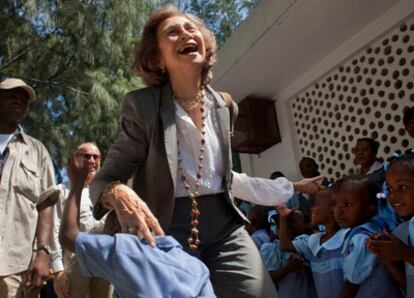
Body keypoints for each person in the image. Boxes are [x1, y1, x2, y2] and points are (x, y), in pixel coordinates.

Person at [89, 5, 323, 297]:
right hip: (165, 227)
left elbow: (220, 177)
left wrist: (295, 186)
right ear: (158, 59)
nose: (186, 34)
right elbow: (103, 180)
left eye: (191, 28)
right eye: (172, 32)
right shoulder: (142, 107)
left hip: (225, 228)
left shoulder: (225, 106)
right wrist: (117, 192)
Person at [59, 153, 215, 298]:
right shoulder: (197, 268)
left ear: (119, 230)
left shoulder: (123, 249)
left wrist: (76, 183)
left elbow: (68, 235)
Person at [0, 78, 57, 297]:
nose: (19, 102)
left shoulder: (37, 151)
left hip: (17, 266)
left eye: (24, 100)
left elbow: (46, 203)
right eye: (11, 96)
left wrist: (43, 252)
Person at [51, 143, 112, 298]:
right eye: (86, 156)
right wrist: (58, 271)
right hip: (74, 264)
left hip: (107, 263)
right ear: (75, 160)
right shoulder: (62, 191)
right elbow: (53, 229)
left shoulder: (111, 191)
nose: (91, 160)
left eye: (95, 157)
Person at [332, 178, 403, 298]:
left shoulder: (363, 237)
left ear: (369, 209)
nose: (338, 211)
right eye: (334, 203)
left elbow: (352, 282)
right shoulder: (374, 228)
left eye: (347, 205)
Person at [277, 190, 346, 298]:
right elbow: (285, 245)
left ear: (332, 210)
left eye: (317, 204)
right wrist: (283, 216)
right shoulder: (313, 241)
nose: (312, 208)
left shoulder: (345, 239)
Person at [367, 150, 414, 297]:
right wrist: (386, 255)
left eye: (403, 187)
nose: (393, 196)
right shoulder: (403, 231)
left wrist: (406, 254)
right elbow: (408, 285)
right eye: (390, 189)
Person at [260, 209, 317, 298]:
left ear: (307, 224)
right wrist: (287, 269)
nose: (291, 226)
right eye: (288, 222)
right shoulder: (272, 247)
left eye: (295, 221)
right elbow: (267, 280)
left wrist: (306, 267)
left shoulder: (307, 240)